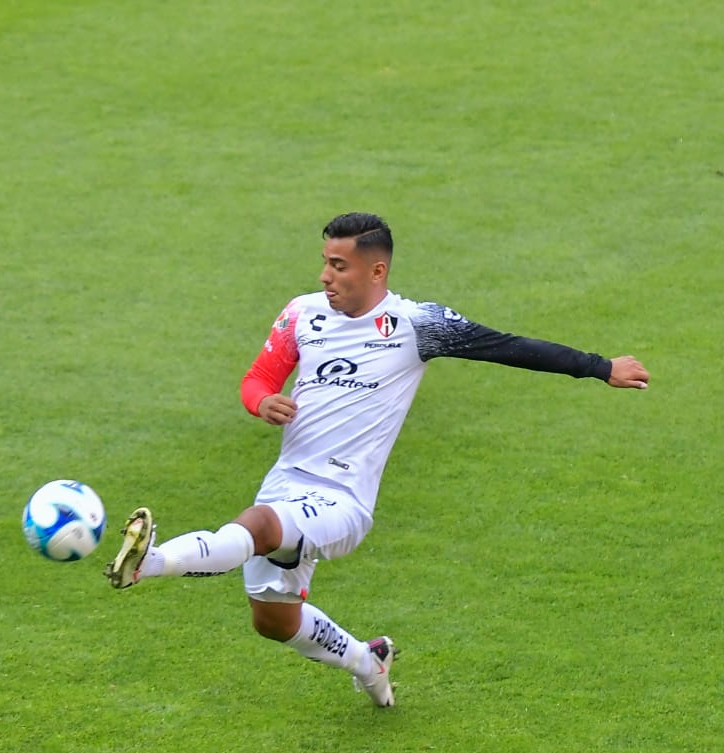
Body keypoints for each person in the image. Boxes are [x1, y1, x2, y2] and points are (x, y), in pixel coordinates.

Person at [104, 212, 649, 708]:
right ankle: (369, 662)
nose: (325, 276)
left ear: (377, 271)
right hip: (287, 481)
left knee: (259, 525)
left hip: (343, 500)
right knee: (272, 621)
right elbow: (259, 378)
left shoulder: (417, 325)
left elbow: (505, 346)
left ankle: (146, 563)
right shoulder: (302, 314)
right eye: (324, 262)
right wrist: (261, 401)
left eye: (338, 266)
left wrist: (599, 366)